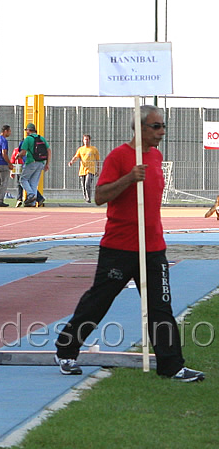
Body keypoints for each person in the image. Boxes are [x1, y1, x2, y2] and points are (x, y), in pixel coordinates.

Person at [54, 105, 204, 382]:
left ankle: (172, 366)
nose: (162, 131)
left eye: (163, 126)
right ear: (140, 127)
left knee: (161, 306)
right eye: (156, 126)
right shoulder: (119, 157)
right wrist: (129, 178)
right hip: (119, 247)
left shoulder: (157, 157)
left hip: (153, 247)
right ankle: (66, 350)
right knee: (99, 301)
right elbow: (99, 196)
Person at [18, 123, 51, 207]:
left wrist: (18, 156)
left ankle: (31, 195)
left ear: (28, 130)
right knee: (33, 182)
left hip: (31, 161)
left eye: (26, 130)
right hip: (41, 163)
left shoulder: (28, 139)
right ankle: (32, 203)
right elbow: (49, 151)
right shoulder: (41, 138)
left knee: (23, 179)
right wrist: (47, 163)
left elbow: (23, 152)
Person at [68, 134, 100, 203]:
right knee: (83, 186)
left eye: (87, 139)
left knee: (87, 184)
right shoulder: (80, 149)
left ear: (89, 140)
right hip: (82, 170)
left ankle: (88, 199)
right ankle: (85, 198)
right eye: (85, 139)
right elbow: (76, 157)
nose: (86, 141)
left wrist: (98, 170)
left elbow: (97, 160)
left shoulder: (93, 149)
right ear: (83, 140)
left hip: (90, 170)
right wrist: (71, 162)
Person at [0, 124, 13, 207]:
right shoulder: (4, 140)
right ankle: (0, 200)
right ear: (5, 131)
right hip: (2, 162)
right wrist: (9, 163)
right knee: (4, 182)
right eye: (9, 131)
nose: (10, 133)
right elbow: (4, 153)